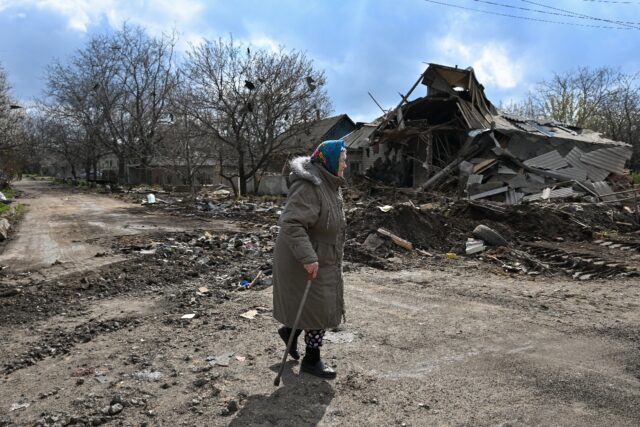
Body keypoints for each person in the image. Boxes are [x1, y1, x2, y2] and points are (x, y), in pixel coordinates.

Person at [272, 139, 348, 379]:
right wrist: (308, 257)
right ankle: (311, 360)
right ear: (331, 160)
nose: (345, 165)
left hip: (322, 255)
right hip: (305, 258)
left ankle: (290, 332)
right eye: (344, 160)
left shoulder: (328, 183)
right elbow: (292, 223)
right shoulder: (310, 185)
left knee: (314, 306)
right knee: (320, 309)